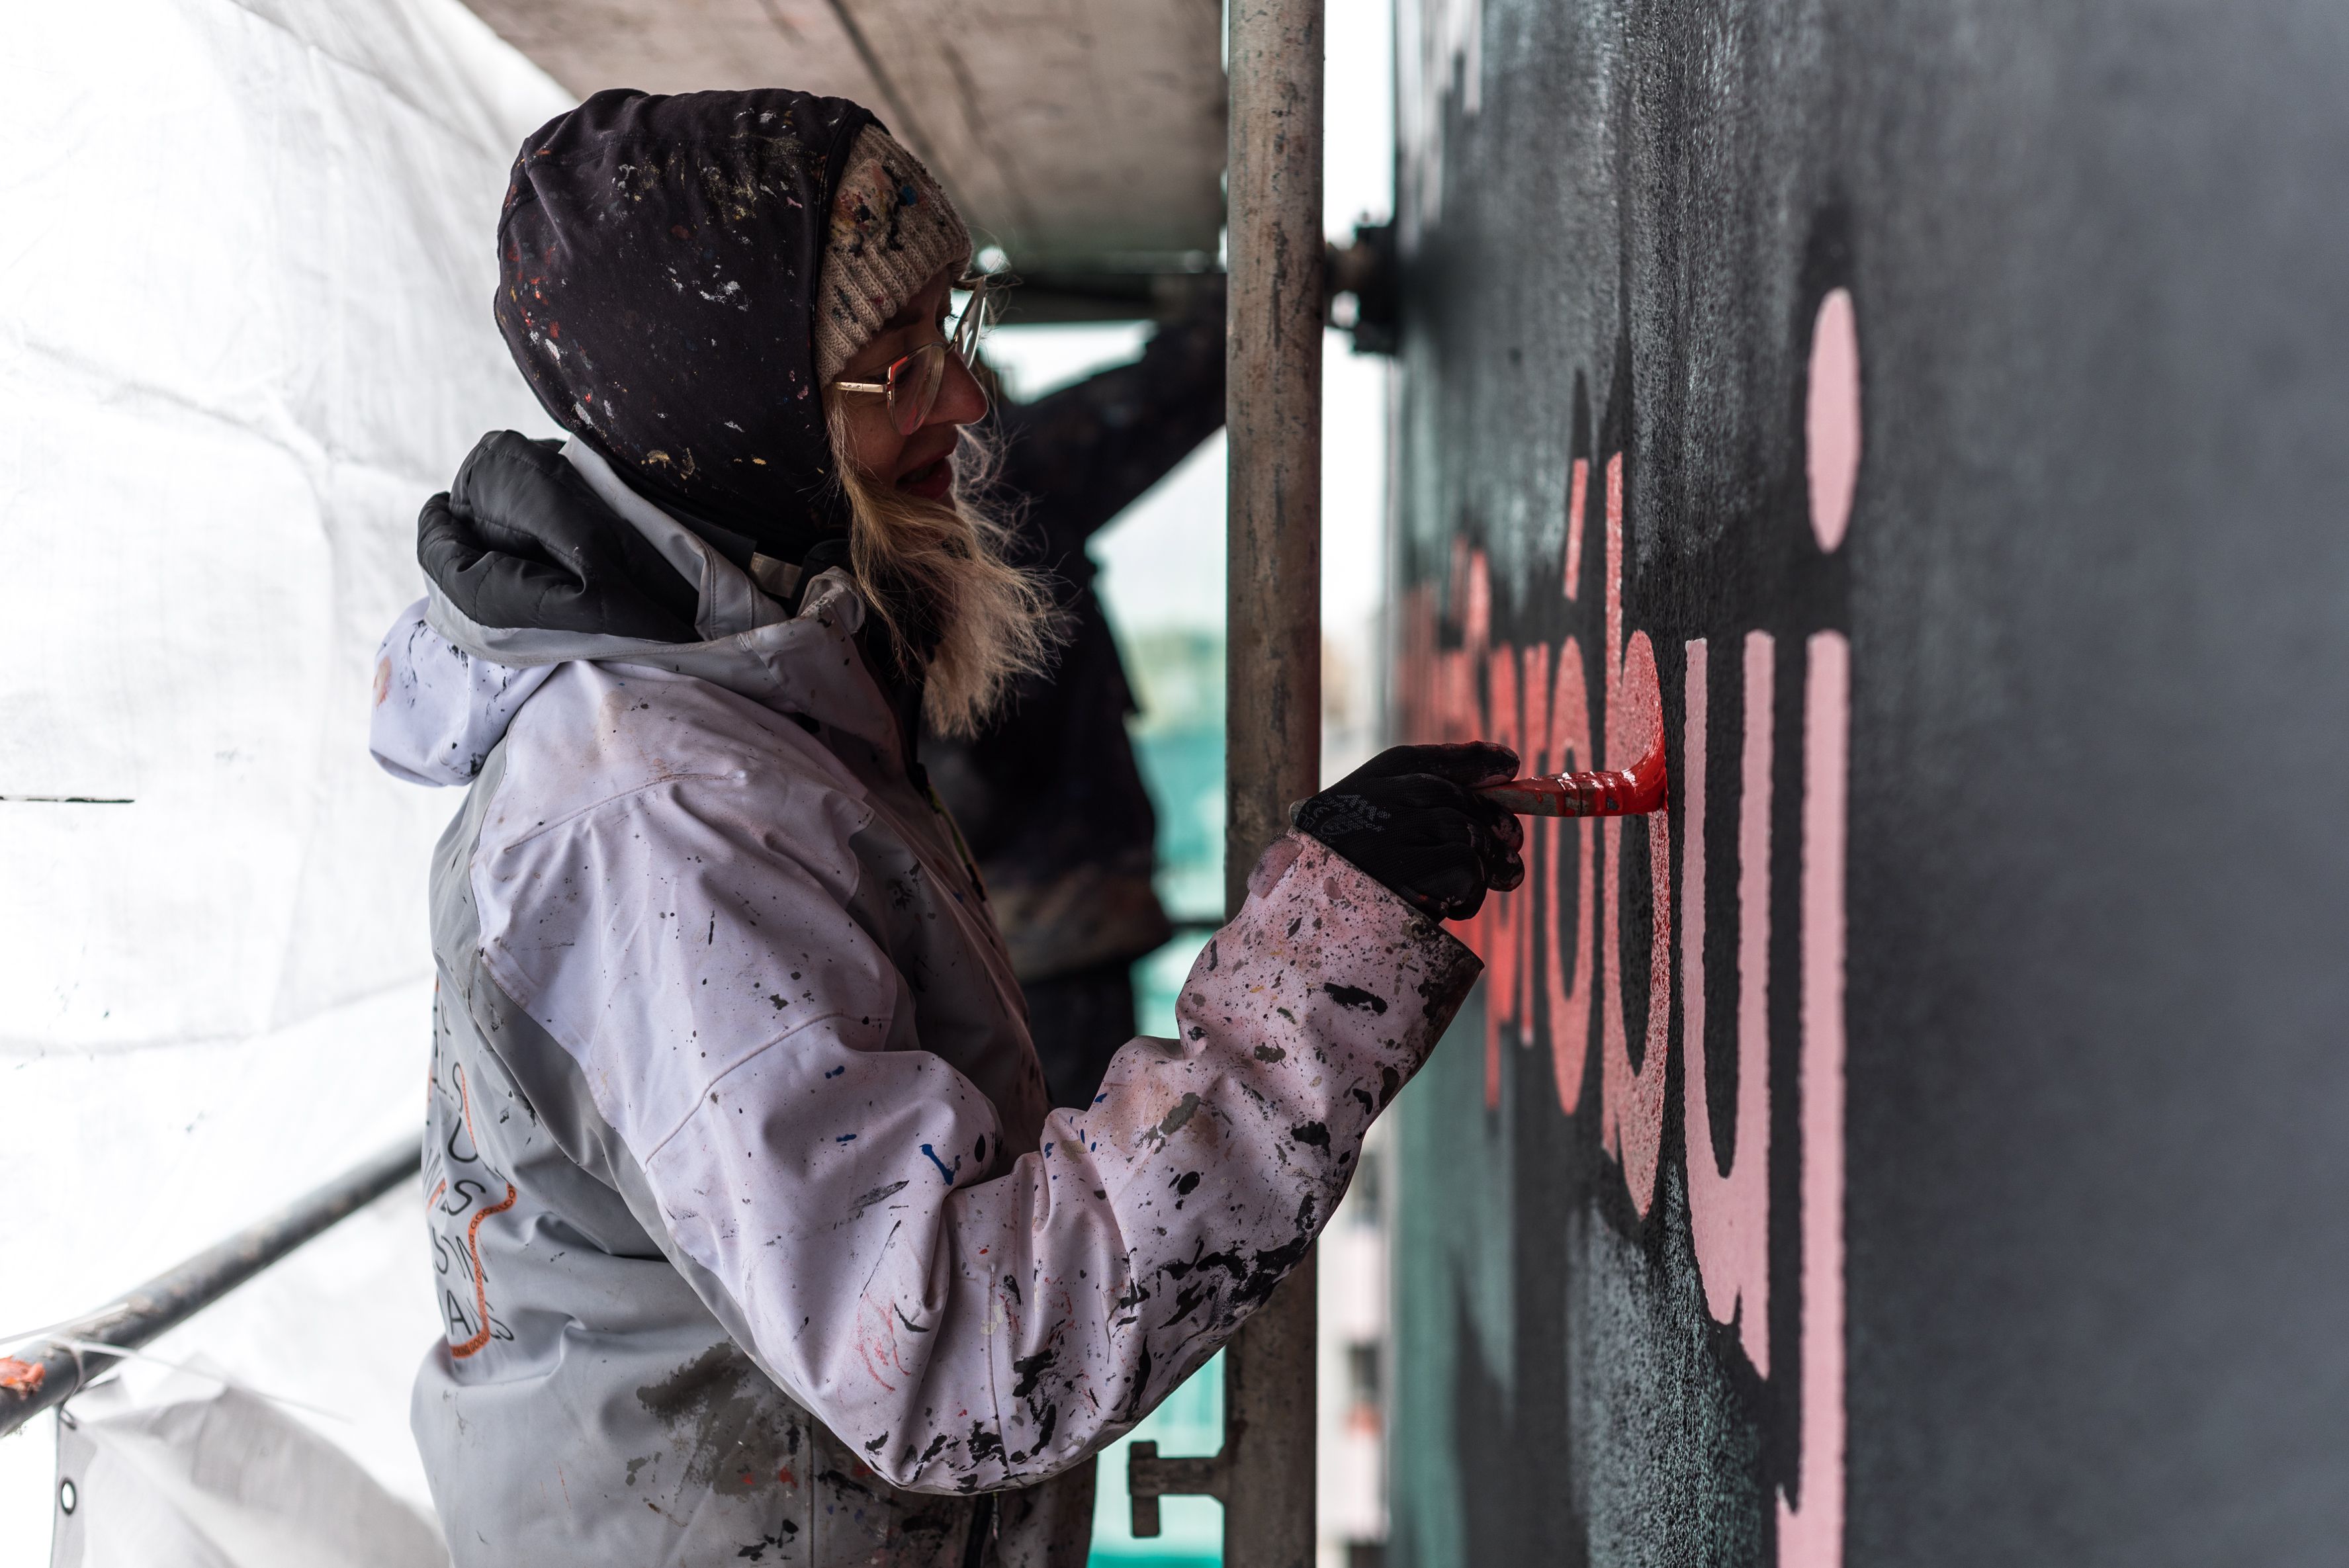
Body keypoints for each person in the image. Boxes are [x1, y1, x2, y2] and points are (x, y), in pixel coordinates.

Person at [369, 88, 1523, 1568]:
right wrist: (1323, 964)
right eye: (888, 367)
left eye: (951, 329)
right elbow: (960, 1356)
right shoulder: (655, 817)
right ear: (739, 413)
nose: (964, 405)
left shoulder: (744, 684)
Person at [925, 282, 1227, 1111]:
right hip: (1053, 918)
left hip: (993, 932)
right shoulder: (990, 474)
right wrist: (1248, 298)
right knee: (1091, 1187)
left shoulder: (848, 526)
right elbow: (1182, 385)